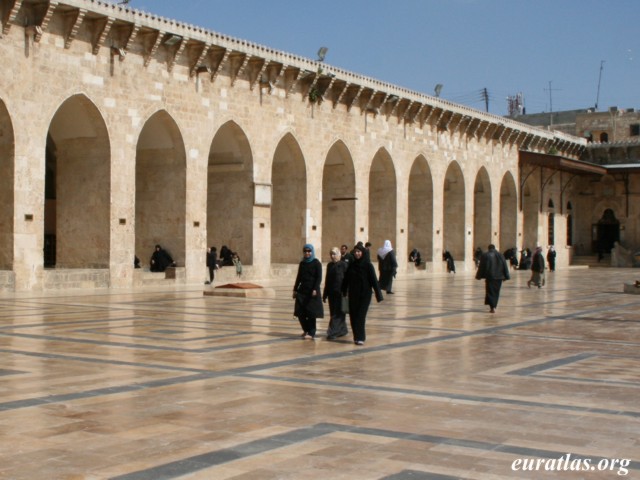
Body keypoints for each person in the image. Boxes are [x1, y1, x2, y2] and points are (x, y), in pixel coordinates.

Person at [342, 243, 383, 345]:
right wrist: (343, 291)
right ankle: (356, 336)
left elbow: (374, 280)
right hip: (353, 294)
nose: (357, 254)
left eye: (359, 252)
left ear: (363, 253)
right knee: (353, 316)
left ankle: (361, 337)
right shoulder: (352, 265)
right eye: (355, 252)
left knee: (360, 316)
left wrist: (379, 295)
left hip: (365, 295)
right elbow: (346, 280)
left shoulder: (368, 266)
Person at [292, 244, 324, 339]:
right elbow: (299, 277)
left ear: (312, 252)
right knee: (300, 312)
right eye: (305, 251)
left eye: (309, 251)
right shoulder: (302, 263)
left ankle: (311, 332)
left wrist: (315, 289)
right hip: (302, 291)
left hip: (312, 291)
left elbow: (319, 278)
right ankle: (306, 330)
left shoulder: (316, 263)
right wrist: (295, 289)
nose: (307, 253)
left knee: (311, 313)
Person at [322, 247, 349, 340]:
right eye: (331, 254)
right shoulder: (329, 265)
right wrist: (325, 294)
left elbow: (348, 280)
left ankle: (332, 332)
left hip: (341, 293)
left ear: (339, 255)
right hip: (331, 293)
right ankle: (342, 330)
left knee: (338, 313)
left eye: (334, 254)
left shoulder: (344, 265)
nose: (332, 256)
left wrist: (347, 292)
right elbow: (327, 280)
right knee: (334, 312)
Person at [475, 244, 510, 313]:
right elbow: (505, 266)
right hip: (499, 277)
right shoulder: (500, 255)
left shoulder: (485, 255)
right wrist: (506, 276)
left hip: (490, 276)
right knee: (496, 292)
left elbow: (481, 266)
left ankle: (492, 307)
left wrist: (478, 276)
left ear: (488, 248)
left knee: (490, 291)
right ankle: (494, 306)